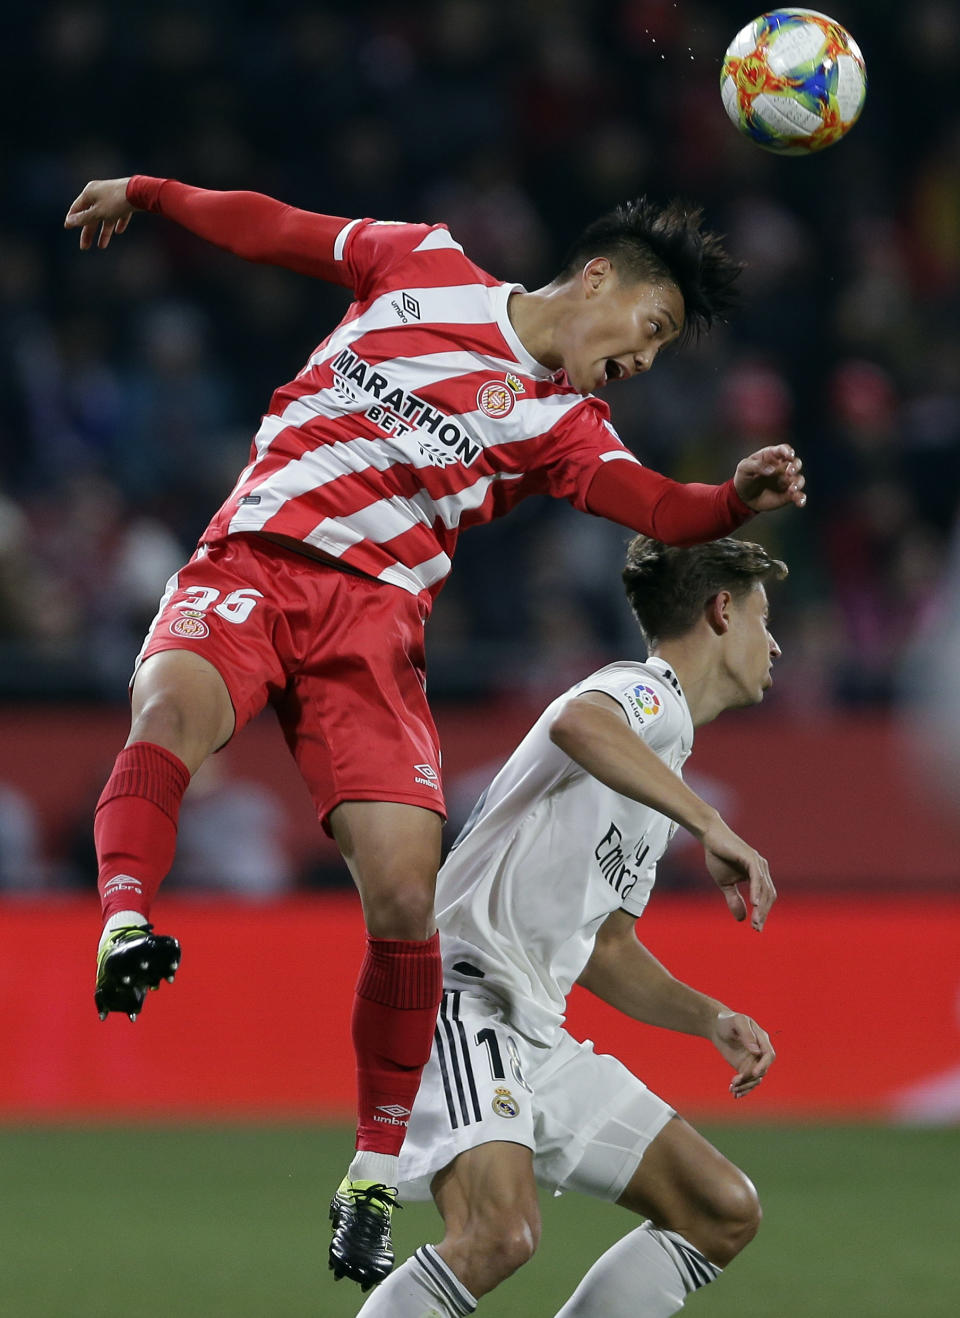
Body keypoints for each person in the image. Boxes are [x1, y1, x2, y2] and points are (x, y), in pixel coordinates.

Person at [64, 175, 805, 1290]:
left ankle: (372, 1163)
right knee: (172, 715)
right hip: (259, 558)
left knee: (406, 892)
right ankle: (126, 922)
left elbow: (658, 508)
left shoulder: (565, 424)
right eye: (649, 327)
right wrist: (158, 194)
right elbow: (276, 231)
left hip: (375, 630)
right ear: (595, 278)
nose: (645, 358)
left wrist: (731, 499)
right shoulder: (423, 263)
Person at [355, 534, 786, 1318]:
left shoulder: (659, 766)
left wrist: (710, 1018)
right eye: (764, 617)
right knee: (499, 1233)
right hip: (463, 997)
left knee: (720, 1208)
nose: (777, 642)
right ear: (721, 612)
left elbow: (608, 950)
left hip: (536, 1033)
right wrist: (709, 824)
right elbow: (577, 722)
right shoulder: (641, 695)